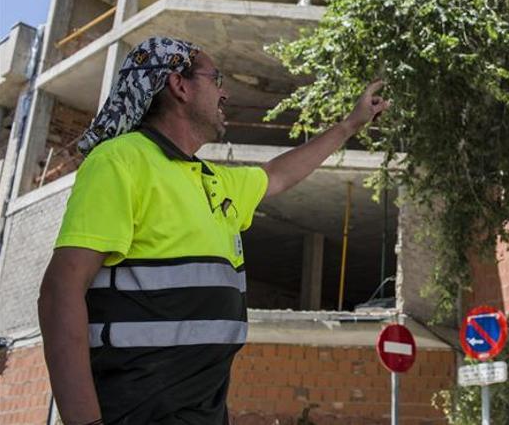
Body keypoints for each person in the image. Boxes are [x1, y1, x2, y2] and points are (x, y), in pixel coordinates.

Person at [37, 37, 388, 425]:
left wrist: (350, 125)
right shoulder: (120, 161)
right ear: (179, 85)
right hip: (134, 413)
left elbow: (277, 175)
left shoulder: (211, 181)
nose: (225, 92)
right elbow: (60, 291)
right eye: (216, 78)